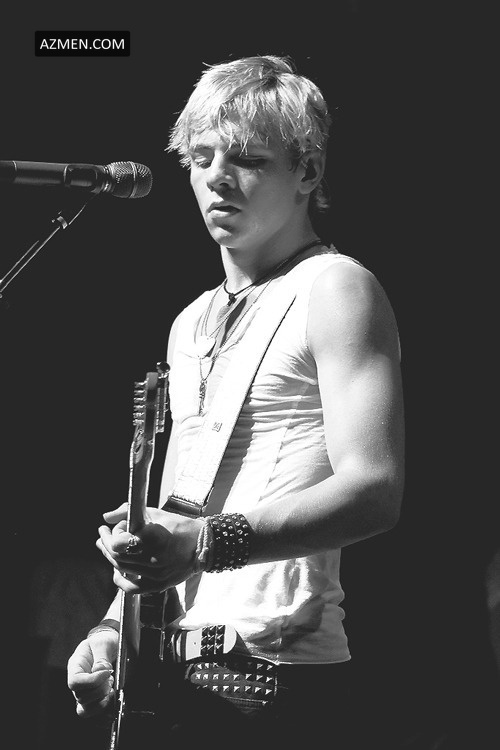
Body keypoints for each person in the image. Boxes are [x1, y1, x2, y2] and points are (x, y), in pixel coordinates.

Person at [67, 54, 405, 749]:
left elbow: (375, 491)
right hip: (168, 670)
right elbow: (180, 511)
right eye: (201, 157)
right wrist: (112, 626)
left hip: (275, 676)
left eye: (248, 158)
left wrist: (202, 543)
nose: (217, 176)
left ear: (308, 171)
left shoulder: (336, 288)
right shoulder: (188, 321)